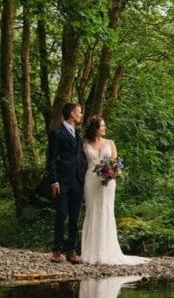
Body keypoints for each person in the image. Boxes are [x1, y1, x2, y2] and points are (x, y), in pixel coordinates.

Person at [80, 115, 149, 265]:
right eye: (102, 126)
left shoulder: (110, 143)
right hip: (91, 180)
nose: (105, 128)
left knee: (106, 211)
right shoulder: (85, 145)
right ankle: (91, 253)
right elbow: (82, 164)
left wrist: (112, 173)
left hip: (108, 181)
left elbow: (115, 163)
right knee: (92, 212)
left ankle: (106, 251)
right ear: (95, 129)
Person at [47, 102, 86, 263]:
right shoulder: (57, 133)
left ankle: (71, 250)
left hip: (77, 180)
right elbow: (51, 160)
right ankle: (57, 250)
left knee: (74, 216)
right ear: (71, 113)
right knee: (61, 214)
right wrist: (54, 180)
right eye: (79, 112)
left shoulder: (78, 134)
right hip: (62, 181)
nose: (81, 115)